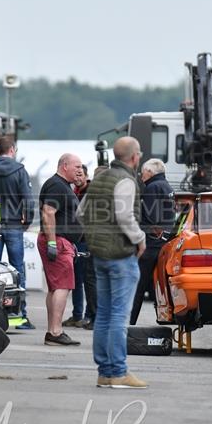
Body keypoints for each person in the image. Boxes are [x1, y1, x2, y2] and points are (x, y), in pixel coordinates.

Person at [77, 137, 148, 389]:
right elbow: (125, 216)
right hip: (121, 255)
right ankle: (118, 371)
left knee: (104, 315)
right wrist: (140, 239)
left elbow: (80, 212)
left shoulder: (99, 179)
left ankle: (104, 372)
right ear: (135, 157)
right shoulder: (126, 180)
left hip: (99, 255)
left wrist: (96, 234)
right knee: (118, 314)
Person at [0, 137, 36, 329]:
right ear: (12, 150)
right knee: (17, 268)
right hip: (13, 225)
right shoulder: (20, 171)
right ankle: (21, 314)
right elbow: (28, 201)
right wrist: (27, 221)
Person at [38, 153, 83, 346]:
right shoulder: (57, 185)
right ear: (65, 166)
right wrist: (52, 243)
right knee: (62, 287)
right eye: (77, 167)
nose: (80, 170)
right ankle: (55, 332)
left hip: (59, 240)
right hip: (58, 241)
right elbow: (48, 213)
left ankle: (52, 331)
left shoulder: (62, 186)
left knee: (55, 288)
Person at [130, 158, 175, 325]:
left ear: (150, 172)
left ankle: (129, 322)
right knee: (160, 284)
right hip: (163, 242)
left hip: (151, 244)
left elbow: (151, 217)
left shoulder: (152, 187)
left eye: (143, 172)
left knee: (138, 286)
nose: (141, 175)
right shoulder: (166, 186)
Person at [64, 165, 97, 329]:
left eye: (80, 175)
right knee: (76, 279)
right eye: (76, 175)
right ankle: (78, 314)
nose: (78, 178)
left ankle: (88, 315)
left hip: (85, 240)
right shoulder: (73, 190)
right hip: (75, 239)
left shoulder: (90, 191)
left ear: (86, 175)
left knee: (86, 279)